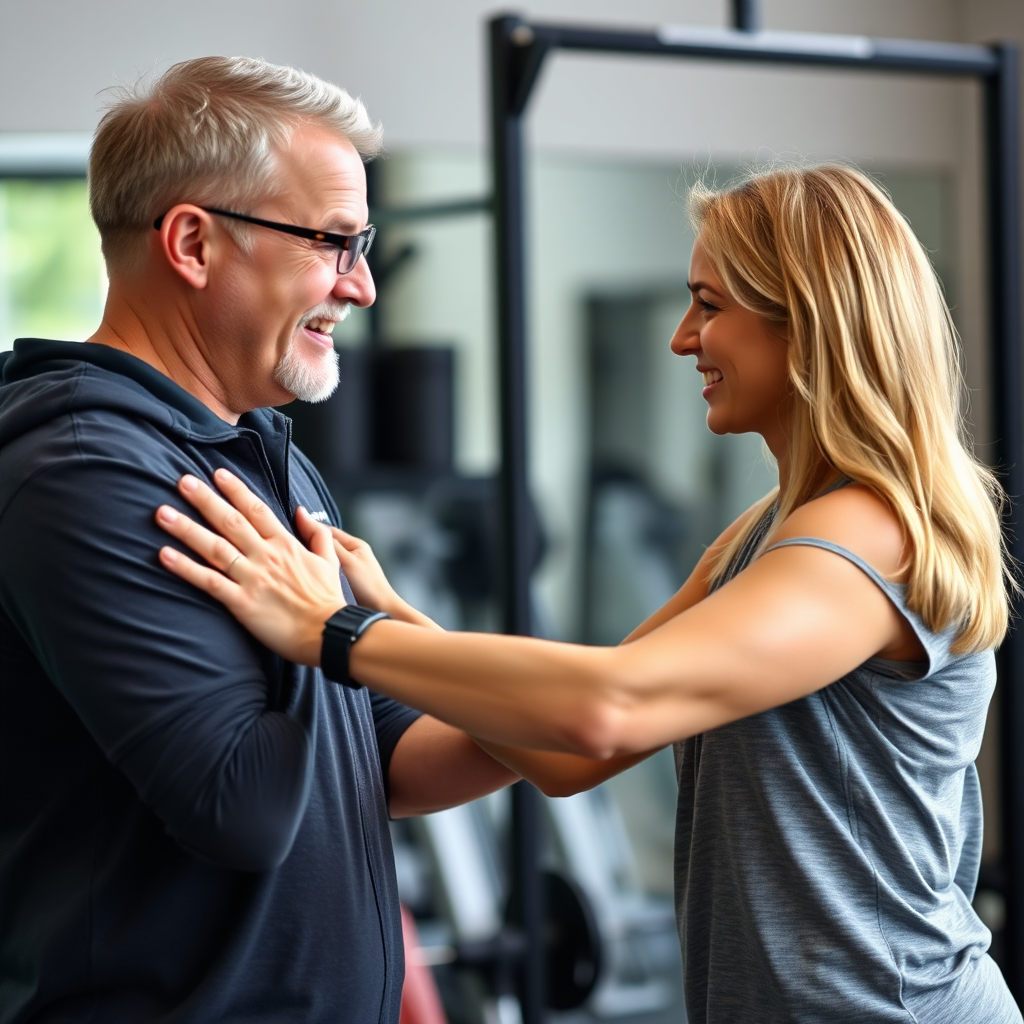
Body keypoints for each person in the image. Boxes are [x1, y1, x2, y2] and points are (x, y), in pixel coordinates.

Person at [155, 164, 1021, 1023]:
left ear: (809, 323)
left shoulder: (871, 537)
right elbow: (574, 752)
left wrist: (336, 631)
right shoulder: (765, 534)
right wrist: (390, 623)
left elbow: (607, 709)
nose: (684, 339)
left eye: (710, 305)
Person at [0, 56, 522, 1024]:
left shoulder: (260, 454)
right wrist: (321, 629)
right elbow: (241, 807)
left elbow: (384, 757)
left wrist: (544, 713)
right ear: (194, 243)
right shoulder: (81, 471)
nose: (360, 286)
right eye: (333, 242)